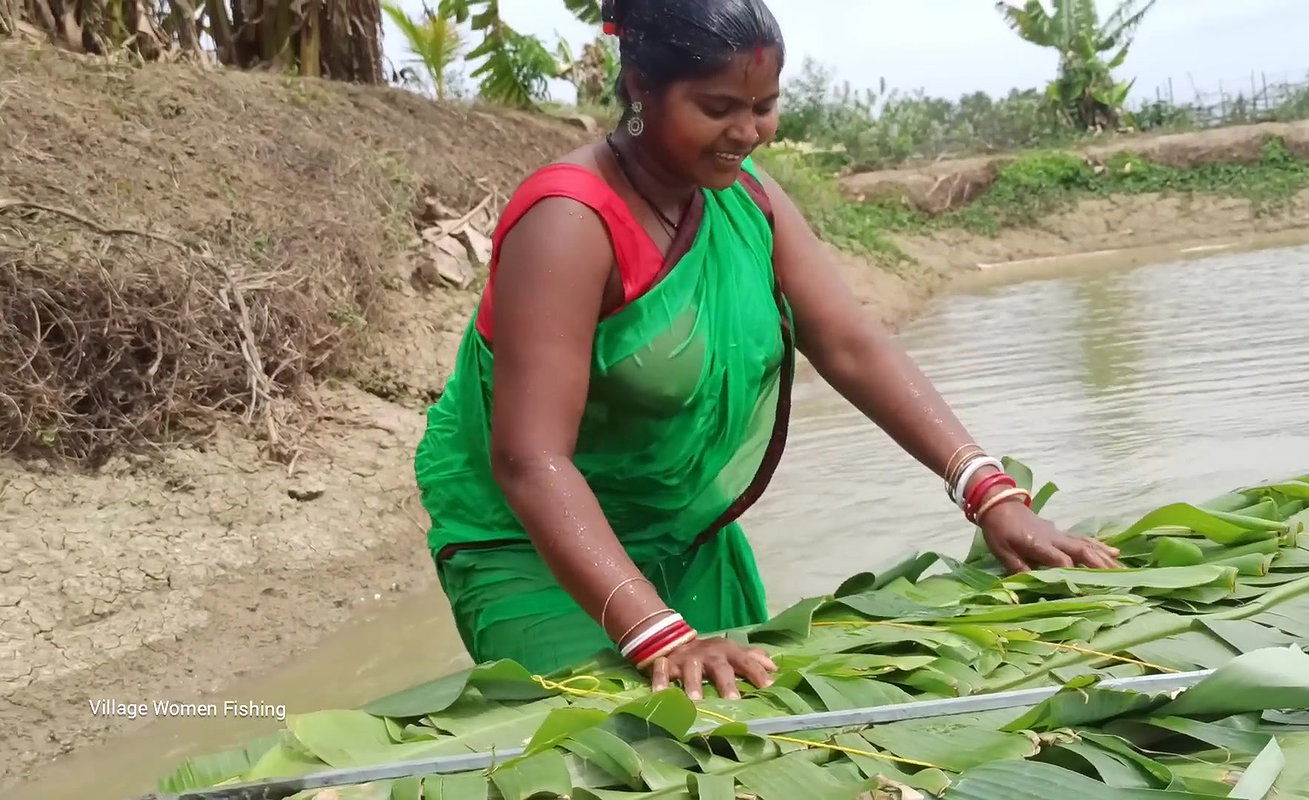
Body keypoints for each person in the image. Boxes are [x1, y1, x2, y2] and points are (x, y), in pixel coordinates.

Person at [413, 0, 1121, 702]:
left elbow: (850, 345)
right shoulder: (569, 222)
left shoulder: (748, 202)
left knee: (757, 731)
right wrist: (660, 633)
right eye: (718, 106)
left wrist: (990, 494)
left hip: (685, 534)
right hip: (533, 546)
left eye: (765, 105)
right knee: (625, 751)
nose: (748, 132)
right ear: (638, 88)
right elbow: (530, 459)